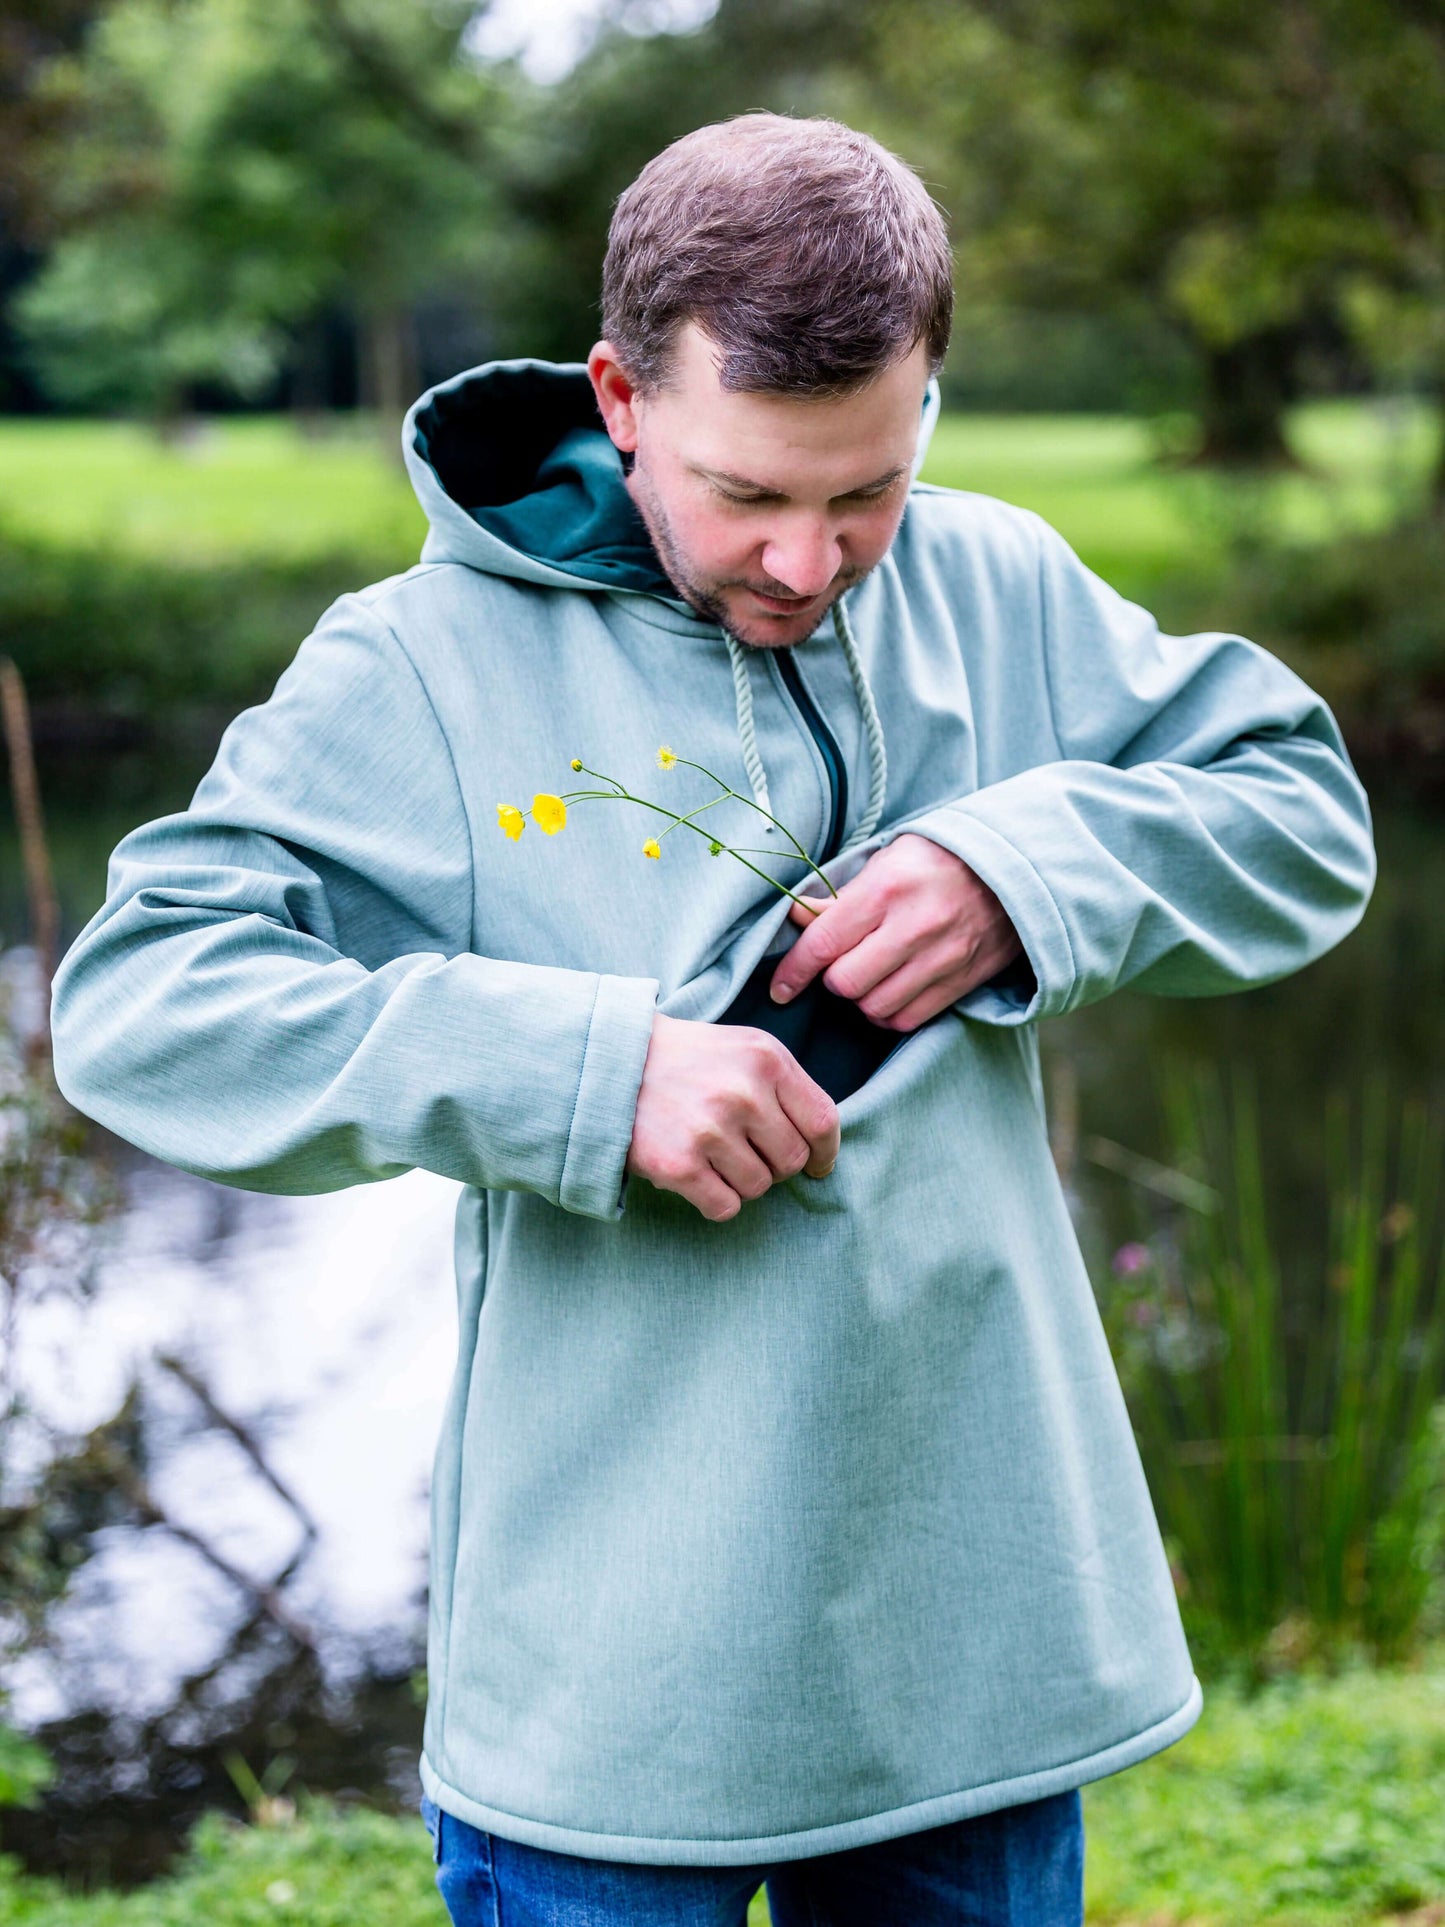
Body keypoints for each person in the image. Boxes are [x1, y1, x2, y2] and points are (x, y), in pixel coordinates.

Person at [49, 113, 1376, 1927]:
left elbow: (1302, 812)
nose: (813, 562)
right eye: (747, 496)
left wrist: (1031, 869)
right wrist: (583, 1075)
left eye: (866, 492)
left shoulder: (995, 585)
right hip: (613, 1708)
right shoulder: (416, 667)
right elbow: (143, 1002)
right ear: (617, 396)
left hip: (966, 1663)